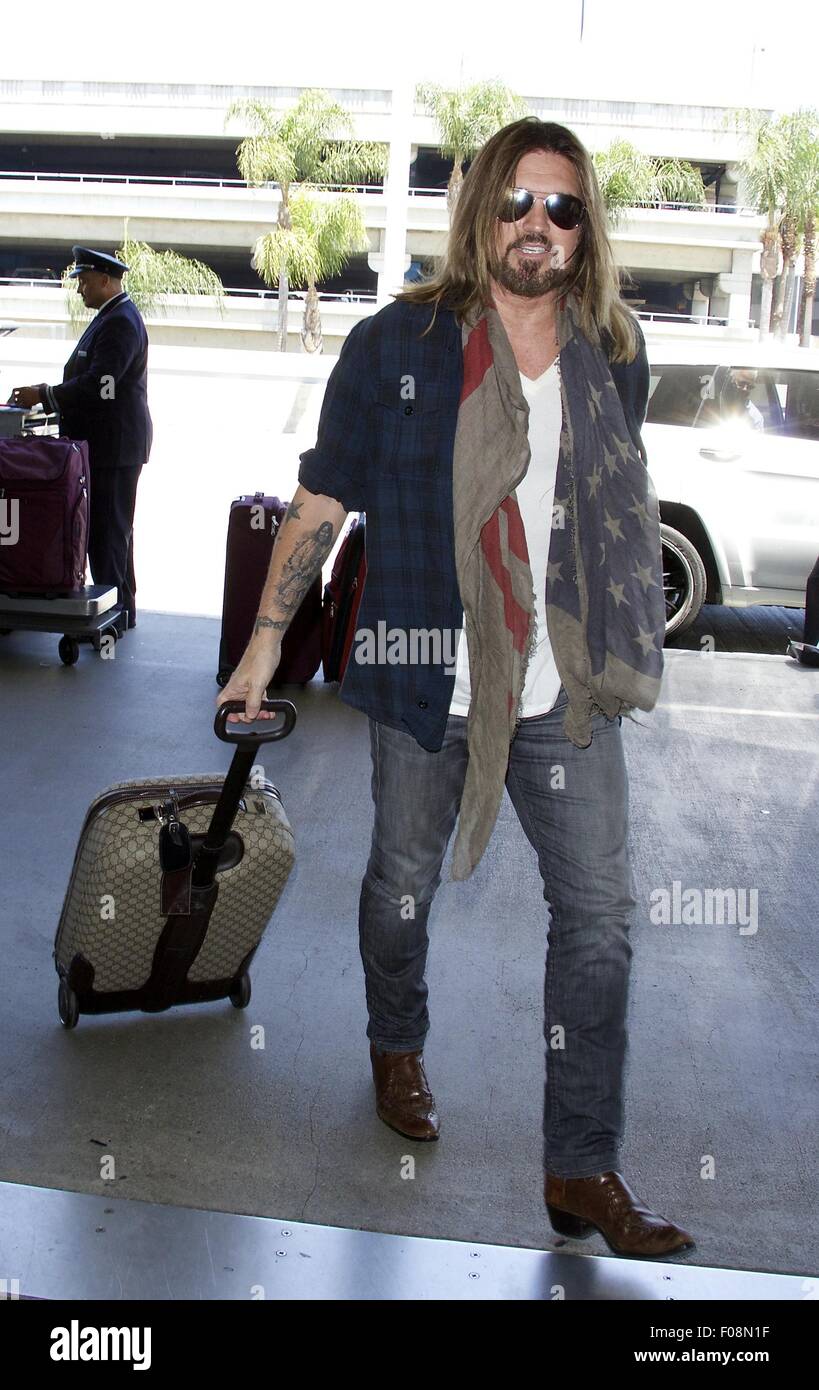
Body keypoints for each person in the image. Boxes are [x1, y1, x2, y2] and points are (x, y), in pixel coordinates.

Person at [219, 117, 694, 1260]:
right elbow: (322, 503)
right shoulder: (397, 347)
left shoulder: (613, 353)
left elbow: (601, 518)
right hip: (423, 669)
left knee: (601, 924)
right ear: (481, 209)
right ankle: (397, 1041)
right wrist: (260, 650)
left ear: (586, 233)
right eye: (519, 202)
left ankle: (580, 1167)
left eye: (564, 208)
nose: (540, 225)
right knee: (400, 885)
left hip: (562, 687)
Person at [10, 247, 152, 630]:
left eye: (85, 282)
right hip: (111, 445)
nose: (80, 291)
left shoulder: (120, 322)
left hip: (113, 448)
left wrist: (47, 394)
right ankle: (122, 611)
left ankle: (112, 618)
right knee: (115, 531)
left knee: (107, 534)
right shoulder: (111, 316)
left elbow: (101, 385)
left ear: (106, 281)